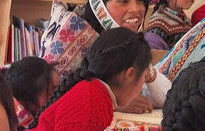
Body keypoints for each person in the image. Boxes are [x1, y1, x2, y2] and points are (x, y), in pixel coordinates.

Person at [14, 27, 152, 131]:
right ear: (129, 74)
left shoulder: (92, 91)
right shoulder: (91, 101)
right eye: (144, 77)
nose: (142, 85)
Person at [40, 0, 170, 113]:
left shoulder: (127, 43)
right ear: (99, 5)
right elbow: (50, 105)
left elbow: (166, 98)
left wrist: (147, 69)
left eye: (141, 1)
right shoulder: (68, 36)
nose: (136, 9)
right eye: (123, 1)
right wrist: (114, 104)